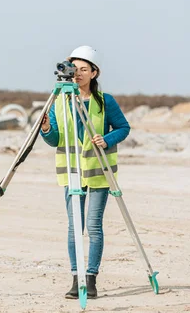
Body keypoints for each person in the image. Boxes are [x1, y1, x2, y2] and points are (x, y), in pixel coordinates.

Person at [40, 45, 130, 300]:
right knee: (74, 228)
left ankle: (90, 279)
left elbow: (123, 127)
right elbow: (56, 139)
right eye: (74, 69)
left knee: (93, 226)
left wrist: (108, 139)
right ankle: (76, 278)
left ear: (94, 72)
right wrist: (46, 128)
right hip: (72, 172)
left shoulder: (104, 101)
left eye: (83, 69)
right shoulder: (60, 101)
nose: (77, 74)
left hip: (99, 170)